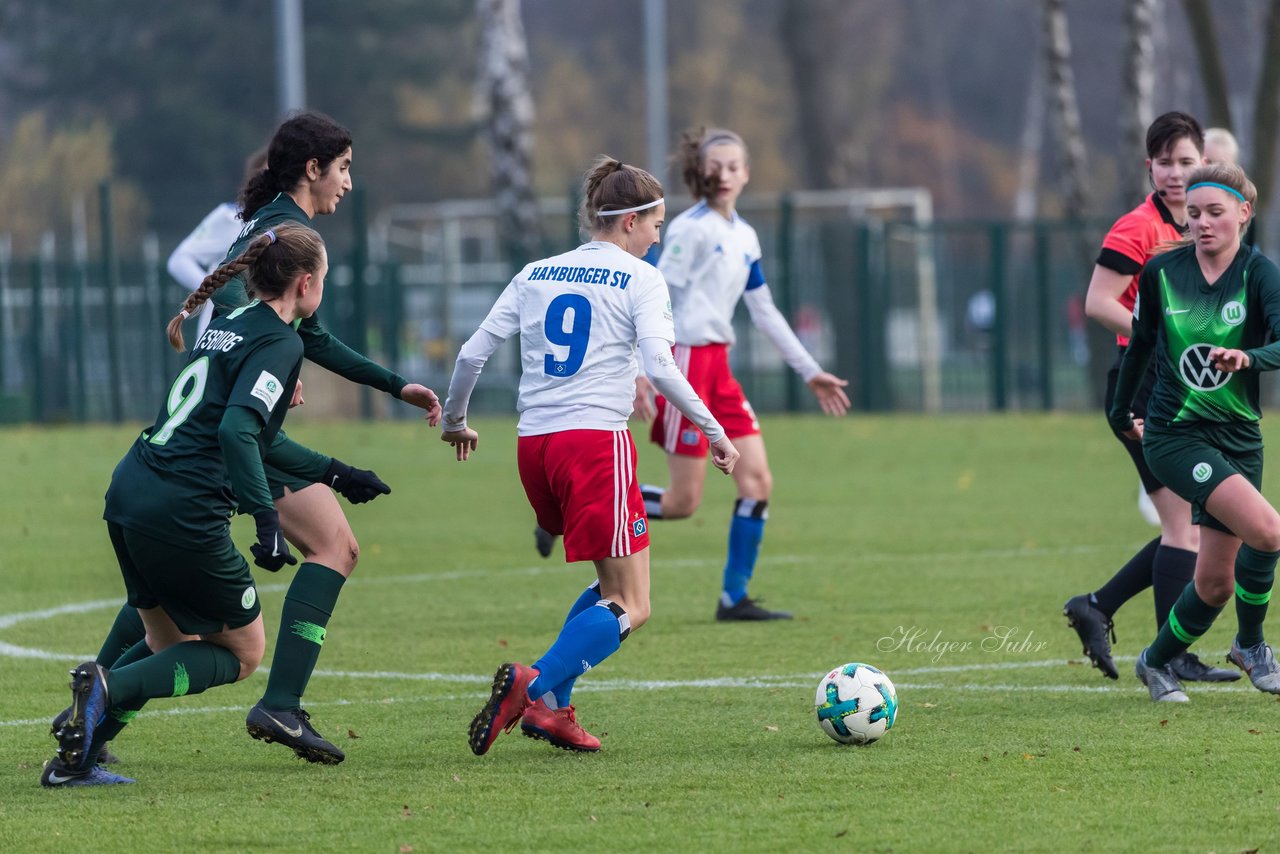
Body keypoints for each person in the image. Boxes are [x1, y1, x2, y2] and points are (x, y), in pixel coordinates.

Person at [77, 111, 443, 766]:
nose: (349, 184)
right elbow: (293, 337)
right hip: (234, 426)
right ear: (313, 169)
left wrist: (390, 385)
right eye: (345, 168)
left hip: (217, 414)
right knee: (333, 546)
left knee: (167, 596)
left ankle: (91, 718)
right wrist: (293, 372)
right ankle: (276, 705)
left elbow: (294, 333)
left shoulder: (267, 224)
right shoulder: (286, 233)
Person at [41, 223, 382, 786]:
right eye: (324, 278)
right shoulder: (282, 340)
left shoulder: (228, 322)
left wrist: (335, 473)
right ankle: (106, 688)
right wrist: (267, 518)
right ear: (304, 283)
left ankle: (76, 756)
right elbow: (236, 432)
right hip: (183, 510)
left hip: (131, 489)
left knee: (165, 641)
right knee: (243, 653)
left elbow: (256, 434)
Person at [442, 156, 740, 754]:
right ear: (628, 221)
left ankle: (551, 710)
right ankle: (534, 683)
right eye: (655, 223)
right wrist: (713, 432)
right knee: (636, 603)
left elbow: (473, 354)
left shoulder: (537, 272)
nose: (659, 237)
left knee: (608, 585)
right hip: (596, 445)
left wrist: (455, 421)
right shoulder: (640, 279)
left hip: (535, 447)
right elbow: (662, 365)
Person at [635, 126, 849, 622]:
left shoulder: (744, 236)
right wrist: (643, 369)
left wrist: (810, 371)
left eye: (735, 166)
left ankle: (734, 598)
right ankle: (580, 508)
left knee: (757, 482)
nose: (725, 173)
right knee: (685, 502)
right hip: (684, 363)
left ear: (747, 174)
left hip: (719, 368)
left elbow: (765, 311)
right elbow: (656, 296)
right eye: (716, 165)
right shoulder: (690, 229)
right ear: (701, 171)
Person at [1063, 111, 1238, 684]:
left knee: (1190, 522)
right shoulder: (1137, 228)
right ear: (1150, 166)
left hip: (1179, 388)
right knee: (1184, 527)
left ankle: (1098, 606)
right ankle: (1171, 654)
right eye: (1164, 162)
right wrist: (1162, 333)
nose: (1174, 172)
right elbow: (1098, 301)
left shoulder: (1196, 226)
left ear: (1204, 165)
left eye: (1185, 161)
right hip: (1140, 388)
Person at [1109, 163, 1280, 701]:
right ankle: (1252, 646)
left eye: (1215, 212)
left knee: (1214, 583)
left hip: (1239, 436)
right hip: (1175, 435)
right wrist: (1119, 414)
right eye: (1193, 214)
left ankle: (1154, 661)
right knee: (1271, 532)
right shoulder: (1162, 273)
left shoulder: (1259, 274)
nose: (1202, 223)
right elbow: (1139, 346)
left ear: (1243, 213)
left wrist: (1247, 358)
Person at [167, 147, 269, 340]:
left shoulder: (289, 226)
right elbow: (179, 260)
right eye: (267, 173)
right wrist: (217, 289)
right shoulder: (231, 217)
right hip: (220, 341)